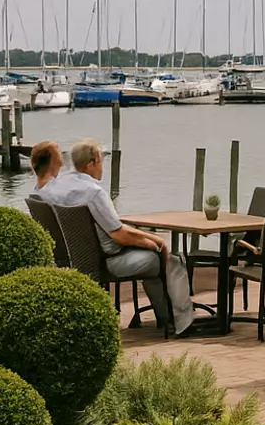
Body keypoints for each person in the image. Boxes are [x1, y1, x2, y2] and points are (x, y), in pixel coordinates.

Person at [36, 138, 196, 335]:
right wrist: (155, 241)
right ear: (91, 163)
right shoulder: (94, 193)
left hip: (78, 257)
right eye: (101, 160)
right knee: (171, 259)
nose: (103, 166)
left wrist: (147, 241)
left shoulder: (59, 187)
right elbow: (119, 235)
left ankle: (166, 318)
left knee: (153, 254)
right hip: (108, 261)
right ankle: (184, 322)